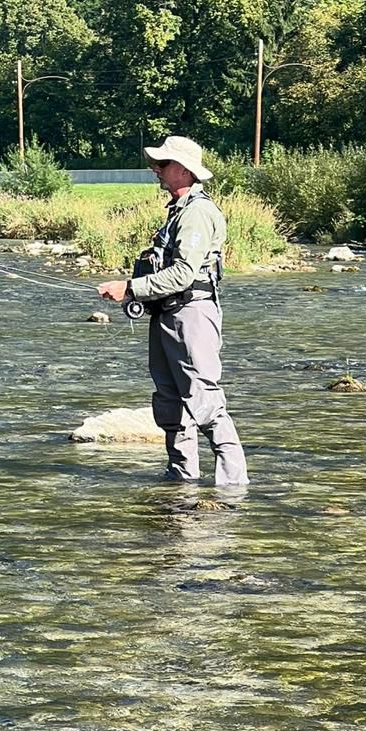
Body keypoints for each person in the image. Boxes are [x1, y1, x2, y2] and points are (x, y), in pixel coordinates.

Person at [96, 136, 248, 487]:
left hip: (191, 315)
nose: (155, 169)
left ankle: (233, 486)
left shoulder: (198, 213)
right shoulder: (178, 210)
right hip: (166, 315)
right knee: (170, 402)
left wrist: (130, 288)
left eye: (162, 164)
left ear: (183, 170)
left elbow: (183, 274)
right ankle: (181, 482)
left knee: (204, 400)